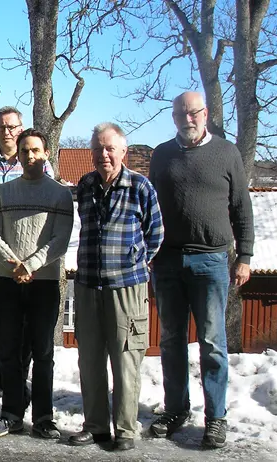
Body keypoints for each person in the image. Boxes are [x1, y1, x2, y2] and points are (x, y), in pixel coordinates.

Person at [148, 91, 254, 449]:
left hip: (211, 260)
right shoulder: (162, 154)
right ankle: (176, 409)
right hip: (167, 261)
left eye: (193, 113)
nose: (187, 119)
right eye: (180, 114)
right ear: (174, 118)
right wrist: (147, 251)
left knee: (212, 342)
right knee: (171, 340)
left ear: (205, 114)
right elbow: (150, 208)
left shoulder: (227, 152)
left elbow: (241, 207)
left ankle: (216, 417)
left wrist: (245, 255)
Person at [69, 123, 164, 451]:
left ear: (123, 151)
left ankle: (125, 430)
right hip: (88, 285)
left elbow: (156, 233)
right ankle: (95, 426)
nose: (103, 154)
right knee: (90, 360)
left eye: (110, 148)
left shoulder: (140, 186)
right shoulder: (85, 185)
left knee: (126, 360)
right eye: (97, 149)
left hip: (127, 288)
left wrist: (135, 261)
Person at [0, 128, 73, 439]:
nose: (30, 155)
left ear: (46, 153)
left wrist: (30, 265)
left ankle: (44, 418)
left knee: (43, 352)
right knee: (9, 350)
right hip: (7, 281)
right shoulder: (3, 192)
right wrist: (14, 265)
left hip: (44, 283)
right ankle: (11, 414)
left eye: (36, 150)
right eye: (25, 150)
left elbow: (60, 239)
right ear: (18, 155)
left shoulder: (61, 194)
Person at [0, 106, 54, 403]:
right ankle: (1, 377)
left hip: (27, 257)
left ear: (21, 128)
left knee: (26, 319)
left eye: (12, 126)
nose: (7, 131)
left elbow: (49, 205)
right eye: (2, 126)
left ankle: (21, 376)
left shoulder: (37, 162)